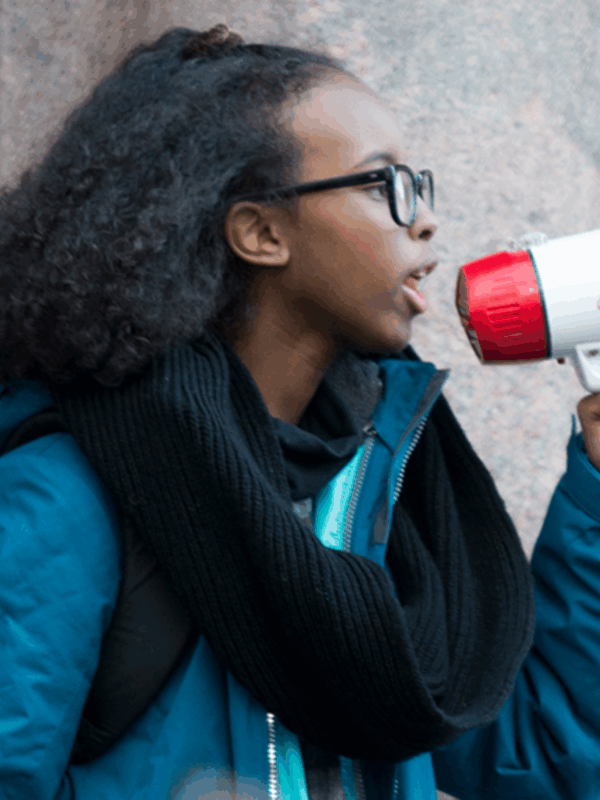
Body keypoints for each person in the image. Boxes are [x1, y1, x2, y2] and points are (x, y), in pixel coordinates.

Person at [0, 23, 599, 800]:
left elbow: (538, 758)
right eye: (385, 186)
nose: (424, 220)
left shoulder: (388, 494)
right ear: (260, 231)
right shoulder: (69, 495)